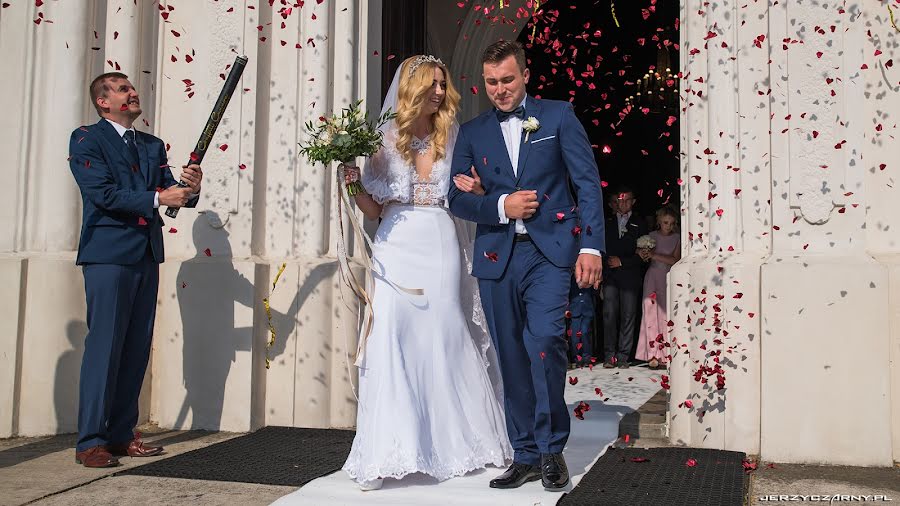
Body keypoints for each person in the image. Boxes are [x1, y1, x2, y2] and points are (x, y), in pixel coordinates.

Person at [339, 55, 511, 491]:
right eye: (432, 84)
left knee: (446, 330)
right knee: (391, 334)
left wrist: (479, 188)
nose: (439, 91)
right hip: (396, 242)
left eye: (443, 84)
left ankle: (463, 443)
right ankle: (386, 453)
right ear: (412, 87)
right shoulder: (382, 138)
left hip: (439, 238)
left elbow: (477, 189)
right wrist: (352, 183)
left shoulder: (454, 135)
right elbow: (375, 209)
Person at [448, 40, 605, 491]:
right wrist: (500, 205)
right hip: (497, 257)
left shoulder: (558, 116)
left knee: (546, 342)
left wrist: (591, 247)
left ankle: (552, 447)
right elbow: (456, 198)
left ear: (526, 75)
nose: (500, 89)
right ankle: (525, 454)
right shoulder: (472, 132)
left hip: (550, 254)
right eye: (492, 82)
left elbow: (587, 184)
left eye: (508, 80)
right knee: (511, 357)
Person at [67, 72, 202, 467]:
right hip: (107, 254)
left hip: (145, 254)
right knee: (105, 347)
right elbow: (103, 193)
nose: (133, 93)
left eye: (132, 88)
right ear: (103, 101)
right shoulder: (86, 138)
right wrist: (162, 196)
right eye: (123, 89)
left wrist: (189, 186)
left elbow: (171, 196)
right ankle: (90, 441)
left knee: (135, 348)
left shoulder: (151, 144)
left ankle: (122, 434)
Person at [601, 187, 648, 369]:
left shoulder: (640, 223)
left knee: (628, 315)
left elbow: (644, 254)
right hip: (610, 276)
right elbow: (602, 249)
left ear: (633, 202)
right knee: (609, 314)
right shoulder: (608, 222)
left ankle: (623, 356)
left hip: (630, 275)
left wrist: (622, 261)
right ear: (615, 202)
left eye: (628, 200)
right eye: (620, 200)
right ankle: (609, 355)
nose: (624, 204)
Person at [636, 207, 681, 369]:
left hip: (667, 278)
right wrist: (643, 253)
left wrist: (654, 255)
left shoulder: (677, 238)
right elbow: (641, 253)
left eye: (670, 223)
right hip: (652, 277)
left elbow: (676, 260)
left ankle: (665, 353)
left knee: (665, 313)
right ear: (659, 222)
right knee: (649, 312)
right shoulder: (652, 236)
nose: (667, 226)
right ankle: (652, 354)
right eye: (665, 223)